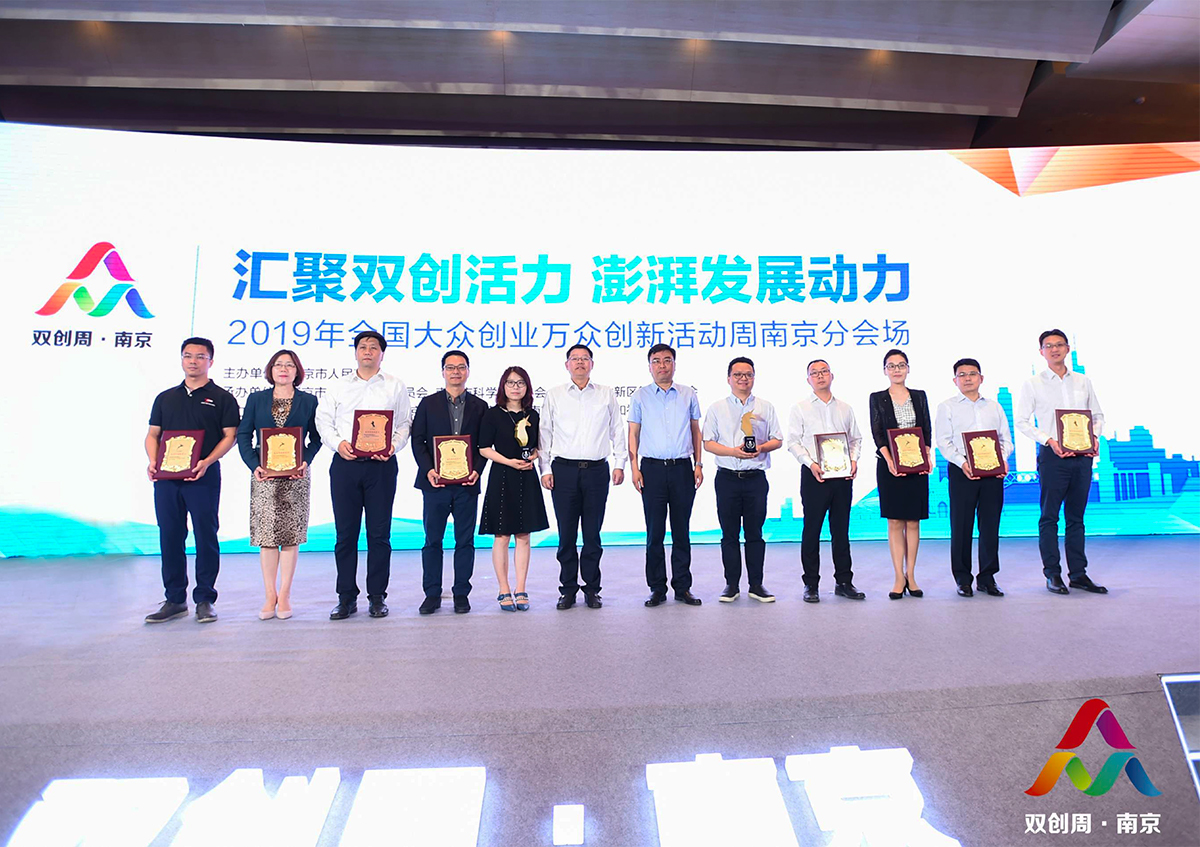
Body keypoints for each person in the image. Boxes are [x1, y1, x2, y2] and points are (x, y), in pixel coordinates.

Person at [315, 330, 411, 620]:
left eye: (373, 347)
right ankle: (346, 598)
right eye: (362, 347)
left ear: (382, 353)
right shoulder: (338, 386)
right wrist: (338, 444)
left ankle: (377, 597)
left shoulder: (395, 385)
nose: (367, 351)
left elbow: (404, 423)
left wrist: (392, 447)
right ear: (355, 352)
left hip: (381, 466)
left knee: (379, 535)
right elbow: (324, 421)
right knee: (345, 535)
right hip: (346, 465)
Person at [143, 337, 240, 624]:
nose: (193, 361)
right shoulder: (165, 398)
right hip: (167, 479)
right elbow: (153, 434)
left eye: (200, 356)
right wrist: (153, 461)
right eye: (188, 356)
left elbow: (230, 436)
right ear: (181, 359)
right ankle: (174, 599)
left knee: (206, 535)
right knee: (170, 535)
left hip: (203, 476)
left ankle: (205, 599)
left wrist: (207, 461)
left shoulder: (222, 398)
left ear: (211, 361)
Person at [1016, 329, 1107, 595]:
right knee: (1050, 517)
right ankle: (1052, 575)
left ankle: (1078, 574)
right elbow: (1021, 421)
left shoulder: (1083, 381)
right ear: (1041, 352)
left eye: (1059, 345)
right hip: (1052, 456)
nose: (1054, 349)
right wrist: (1049, 440)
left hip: (1082, 458)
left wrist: (1094, 437)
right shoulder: (1033, 384)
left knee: (1076, 518)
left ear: (1068, 348)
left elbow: (1097, 415)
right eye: (1049, 346)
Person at [236, 349, 322, 620]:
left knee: (290, 537)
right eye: (278, 365)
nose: (283, 369)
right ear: (270, 370)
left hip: (296, 477)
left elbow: (316, 438)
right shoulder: (256, 399)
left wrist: (305, 461)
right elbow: (244, 434)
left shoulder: (309, 401)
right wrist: (254, 465)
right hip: (265, 475)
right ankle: (269, 595)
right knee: (267, 538)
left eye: (289, 365)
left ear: (297, 371)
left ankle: (284, 594)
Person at [539, 344, 626, 610]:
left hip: (597, 471)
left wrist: (619, 463)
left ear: (592, 364)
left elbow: (617, 429)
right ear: (567, 365)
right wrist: (545, 469)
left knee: (592, 534)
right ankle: (567, 589)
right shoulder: (554, 394)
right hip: (563, 471)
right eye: (574, 359)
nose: (579, 362)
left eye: (584, 358)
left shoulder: (605, 393)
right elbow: (545, 433)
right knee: (566, 535)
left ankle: (591, 589)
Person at [411, 349, 488, 615]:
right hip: (435, 484)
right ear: (442, 371)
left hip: (467, 484)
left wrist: (477, 470)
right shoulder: (428, 403)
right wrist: (428, 470)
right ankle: (432, 594)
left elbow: (484, 445)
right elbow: (418, 440)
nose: (456, 372)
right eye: (451, 367)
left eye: (461, 367)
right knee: (432, 540)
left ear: (468, 371)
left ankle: (461, 593)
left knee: (465, 541)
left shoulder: (480, 406)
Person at [701, 356, 784, 603]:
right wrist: (733, 452)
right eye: (737, 374)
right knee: (729, 534)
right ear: (729, 379)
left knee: (754, 533)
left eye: (748, 374)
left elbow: (778, 439)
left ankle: (756, 585)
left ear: (754, 378)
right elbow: (708, 443)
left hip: (755, 478)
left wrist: (762, 448)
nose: (743, 379)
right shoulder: (717, 408)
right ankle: (731, 585)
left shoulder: (765, 407)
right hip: (727, 478)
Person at [629, 344, 705, 607]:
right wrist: (634, 467)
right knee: (655, 533)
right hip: (651, 469)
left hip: (682, 468)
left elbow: (696, 430)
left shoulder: (688, 394)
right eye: (656, 361)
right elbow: (633, 433)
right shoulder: (640, 396)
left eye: (667, 360)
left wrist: (698, 464)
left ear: (674, 364)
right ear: (649, 366)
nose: (662, 365)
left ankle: (682, 587)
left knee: (682, 531)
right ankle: (657, 588)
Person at [787, 359, 864, 602]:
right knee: (811, 530)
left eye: (824, 371)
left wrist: (853, 460)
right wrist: (811, 464)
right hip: (814, 476)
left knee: (841, 530)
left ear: (832, 376)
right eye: (815, 373)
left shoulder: (845, 408)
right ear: (808, 379)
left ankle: (844, 581)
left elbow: (855, 439)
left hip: (842, 476)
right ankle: (811, 584)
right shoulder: (800, 408)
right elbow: (793, 442)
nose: (820, 376)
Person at [935, 358, 1012, 597]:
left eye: (972, 373)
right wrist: (963, 463)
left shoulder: (995, 407)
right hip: (962, 471)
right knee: (961, 525)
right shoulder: (947, 407)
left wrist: (1002, 458)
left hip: (993, 472)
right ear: (955, 380)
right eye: (962, 374)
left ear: (981, 378)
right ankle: (962, 578)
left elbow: (1006, 439)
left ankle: (987, 578)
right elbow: (943, 442)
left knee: (990, 525)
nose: (967, 378)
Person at [479, 366, 549, 611]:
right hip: (502, 475)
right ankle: (503, 589)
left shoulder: (534, 415)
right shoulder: (492, 414)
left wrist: (535, 456)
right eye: (510, 382)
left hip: (527, 476)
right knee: (501, 536)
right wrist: (509, 462)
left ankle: (521, 589)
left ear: (527, 387)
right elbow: (483, 448)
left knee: (524, 535)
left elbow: (541, 445)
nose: (515, 387)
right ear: (503, 386)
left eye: (520, 383)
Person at [868, 349, 934, 600]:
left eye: (901, 365)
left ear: (908, 368)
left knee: (913, 521)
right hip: (889, 466)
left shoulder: (919, 396)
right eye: (891, 366)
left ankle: (911, 575)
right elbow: (877, 433)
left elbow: (926, 429)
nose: (897, 370)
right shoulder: (877, 398)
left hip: (916, 465)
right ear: (885, 370)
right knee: (895, 521)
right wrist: (890, 461)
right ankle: (898, 577)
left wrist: (926, 456)